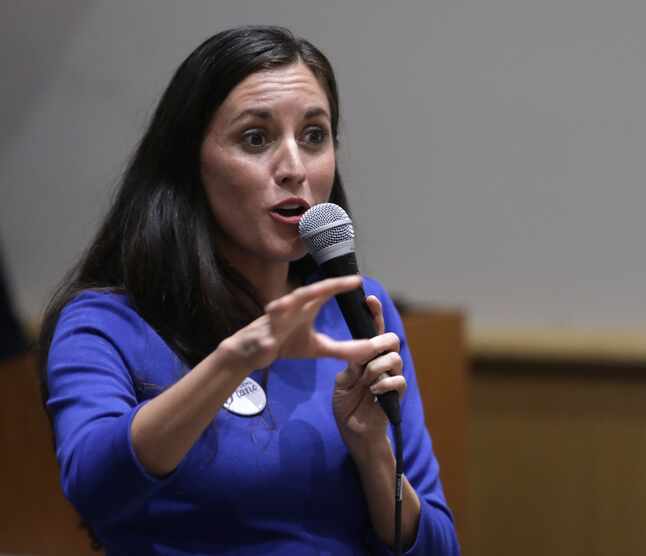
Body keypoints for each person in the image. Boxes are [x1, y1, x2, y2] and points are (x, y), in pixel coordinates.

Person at [39, 25, 460, 555]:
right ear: (190, 162)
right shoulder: (105, 323)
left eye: (314, 136)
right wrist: (235, 357)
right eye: (255, 139)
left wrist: (373, 449)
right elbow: (95, 488)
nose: (293, 168)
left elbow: (439, 548)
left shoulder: (358, 313)